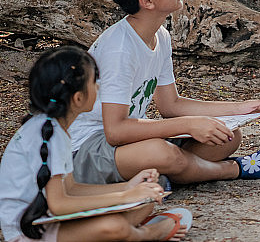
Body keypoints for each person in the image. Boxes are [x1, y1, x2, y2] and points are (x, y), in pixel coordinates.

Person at [69, 0, 260, 186]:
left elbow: (171, 105)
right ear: (147, 0)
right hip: (85, 149)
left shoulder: (160, 36)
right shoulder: (119, 48)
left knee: (227, 136)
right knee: (162, 153)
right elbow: (115, 131)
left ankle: (167, 175)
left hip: (127, 144)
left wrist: (241, 109)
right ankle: (233, 169)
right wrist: (188, 125)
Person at [0, 46, 192, 242]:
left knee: (145, 202)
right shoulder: (50, 134)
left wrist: (127, 188)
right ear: (78, 98)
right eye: (94, 82)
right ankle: (146, 234)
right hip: (28, 234)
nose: (99, 87)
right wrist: (124, 197)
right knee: (113, 226)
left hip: (50, 222)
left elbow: (72, 188)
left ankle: (126, 231)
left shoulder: (55, 128)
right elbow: (58, 204)